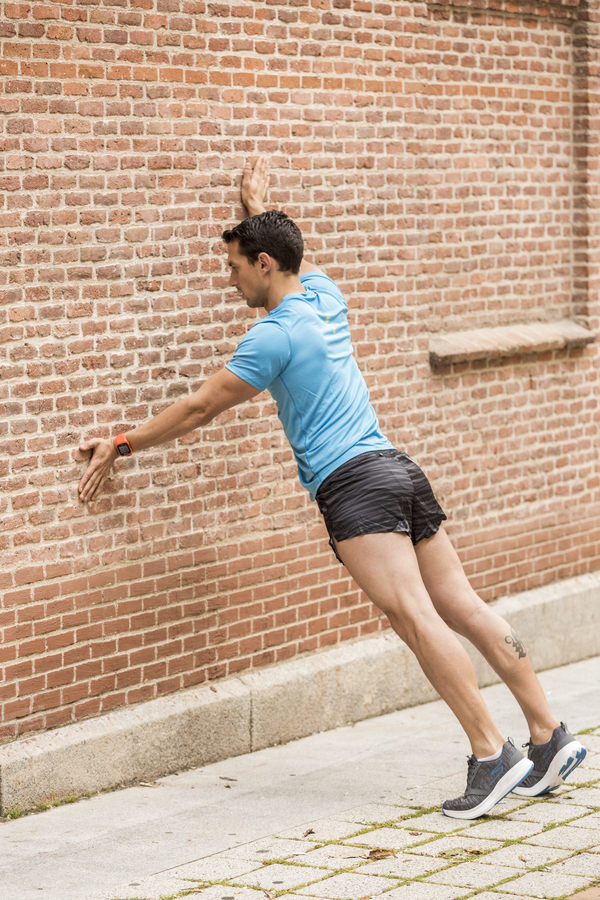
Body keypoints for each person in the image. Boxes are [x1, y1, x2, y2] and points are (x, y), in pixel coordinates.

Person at [77, 156, 586, 818]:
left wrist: (120, 444)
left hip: (355, 486)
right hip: (397, 468)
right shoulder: (324, 294)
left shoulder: (271, 337)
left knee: (417, 618)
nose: (228, 281)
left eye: (234, 267)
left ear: (263, 264)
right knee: (463, 604)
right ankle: (548, 738)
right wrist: (258, 207)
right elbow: (296, 252)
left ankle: (493, 755)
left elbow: (199, 408)